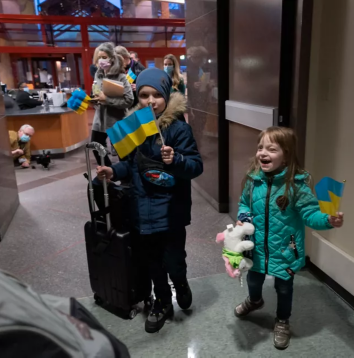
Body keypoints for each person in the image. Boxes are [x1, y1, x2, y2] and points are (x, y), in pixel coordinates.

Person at [95, 68, 203, 334]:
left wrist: (175, 160)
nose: (151, 101)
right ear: (138, 98)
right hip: (142, 212)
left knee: (174, 261)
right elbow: (130, 166)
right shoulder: (137, 129)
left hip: (171, 213)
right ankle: (163, 303)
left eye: (157, 95)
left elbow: (195, 166)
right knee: (153, 263)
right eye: (144, 95)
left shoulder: (179, 130)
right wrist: (114, 171)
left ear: (166, 96)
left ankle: (181, 283)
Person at [234, 127, 344, 350]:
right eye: (260, 148)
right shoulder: (253, 180)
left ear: (286, 155)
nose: (263, 153)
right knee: (253, 279)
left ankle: (282, 320)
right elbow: (244, 202)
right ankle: (255, 300)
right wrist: (243, 217)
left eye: (272, 149)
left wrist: (328, 220)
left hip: (285, 248)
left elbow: (310, 214)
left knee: (284, 288)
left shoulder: (296, 186)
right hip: (256, 247)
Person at [91, 42, 134, 166]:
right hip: (99, 119)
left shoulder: (121, 76)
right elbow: (97, 92)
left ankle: (126, 179)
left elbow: (129, 100)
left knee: (122, 153)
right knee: (96, 146)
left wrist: (107, 100)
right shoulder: (98, 74)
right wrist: (94, 99)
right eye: (99, 58)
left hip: (116, 120)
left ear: (111, 57)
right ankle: (109, 173)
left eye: (104, 57)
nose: (101, 61)